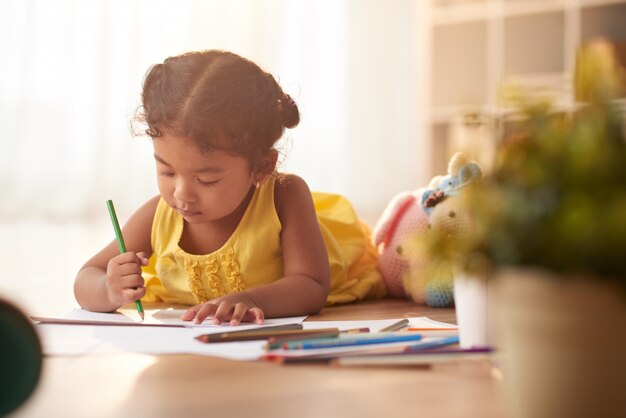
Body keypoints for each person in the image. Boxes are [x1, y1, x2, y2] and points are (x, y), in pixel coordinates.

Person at [74, 49, 386, 326]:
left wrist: (253, 300)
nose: (181, 194)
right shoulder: (158, 216)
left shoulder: (284, 196)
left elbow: (311, 285)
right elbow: (87, 277)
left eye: (206, 180)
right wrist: (109, 290)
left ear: (261, 167)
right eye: (166, 171)